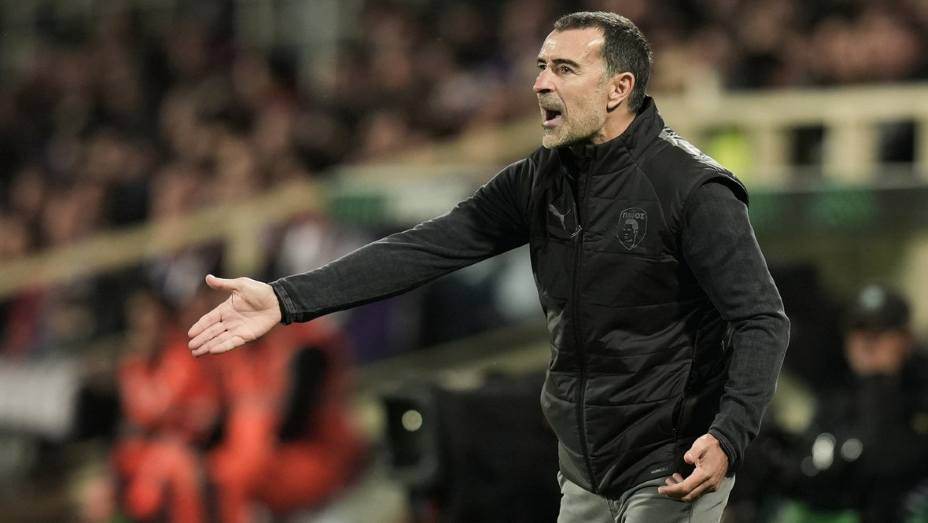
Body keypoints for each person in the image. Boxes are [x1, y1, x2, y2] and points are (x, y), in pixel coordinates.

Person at [188, 11, 790, 522]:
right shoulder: (540, 179)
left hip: (671, 461)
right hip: (583, 468)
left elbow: (763, 319)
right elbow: (427, 247)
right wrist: (287, 299)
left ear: (618, 88)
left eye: (564, 69)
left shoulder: (691, 189)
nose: (540, 83)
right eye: (541, 67)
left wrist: (729, 435)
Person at [772, 285, 928, 523]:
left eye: (880, 333)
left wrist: (879, 381)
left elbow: (884, 460)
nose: (867, 343)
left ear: (906, 339)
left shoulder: (919, 392)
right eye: (860, 331)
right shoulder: (836, 392)